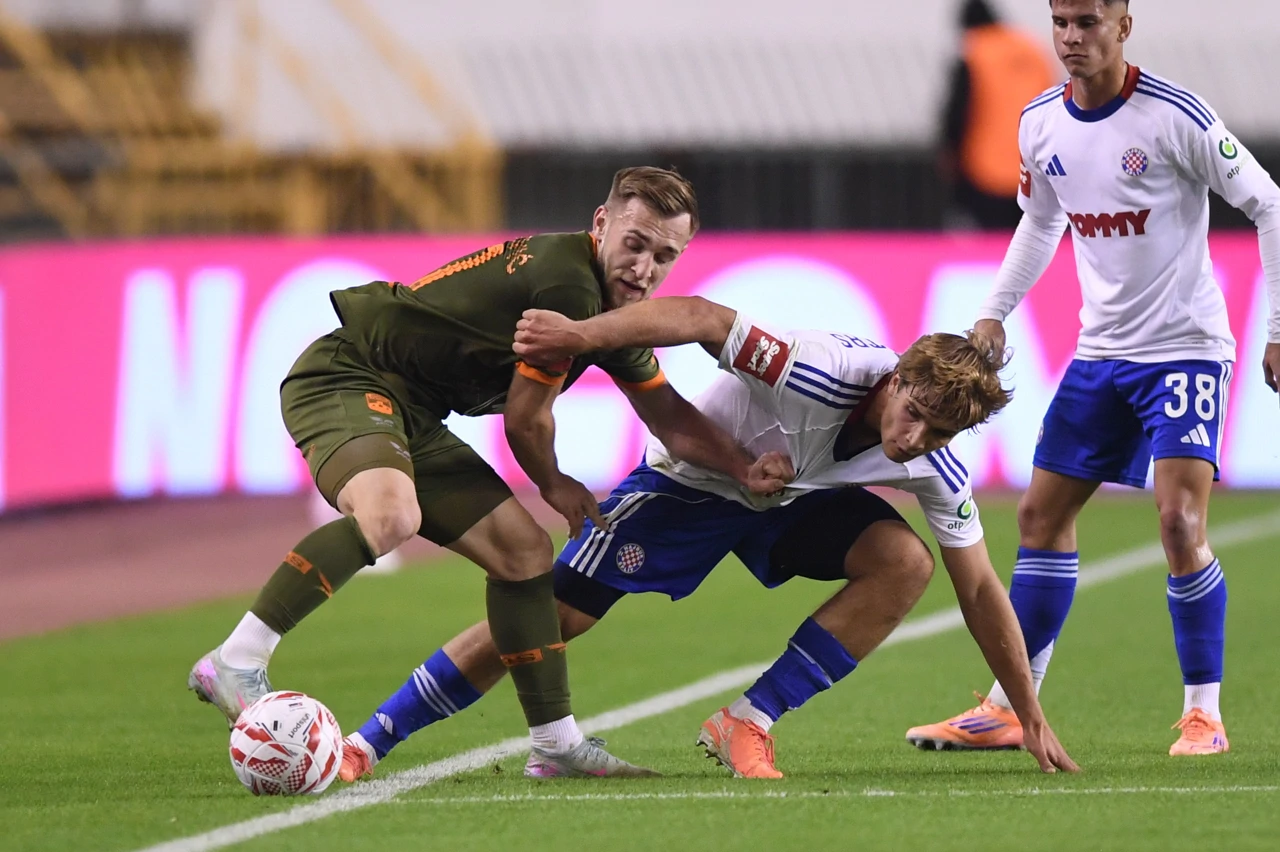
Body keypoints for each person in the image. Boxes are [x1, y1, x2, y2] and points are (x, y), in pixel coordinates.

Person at [186, 167, 792, 777]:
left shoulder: (609, 315)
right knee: (391, 514)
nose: (644, 269)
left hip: (415, 414)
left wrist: (744, 469)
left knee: (524, 553)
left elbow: (671, 417)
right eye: (635, 244)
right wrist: (555, 483)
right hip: (351, 375)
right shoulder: (569, 288)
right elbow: (526, 421)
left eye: (665, 255)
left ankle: (556, 745)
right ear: (601, 224)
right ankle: (238, 658)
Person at [335, 295, 1079, 781]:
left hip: (789, 501)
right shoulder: (817, 369)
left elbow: (978, 587)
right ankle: (371, 741)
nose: (914, 438)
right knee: (549, 618)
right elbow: (698, 318)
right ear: (895, 378)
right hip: (692, 485)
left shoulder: (936, 465)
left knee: (906, 562)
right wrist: (582, 335)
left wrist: (1030, 714)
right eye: (911, 411)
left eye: (938, 430)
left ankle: (746, 722)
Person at [906, 0, 1280, 757]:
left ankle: (1203, 715)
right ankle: (1012, 707)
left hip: (1185, 347)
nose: (1072, 39)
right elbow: (1041, 221)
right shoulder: (1040, 121)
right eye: (1062, 22)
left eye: (1089, 22)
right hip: (1100, 353)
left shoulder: (1175, 115)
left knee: (1178, 525)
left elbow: (1268, 203)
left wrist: (1276, 328)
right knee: (1040, 521)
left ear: (1124, 26)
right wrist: (994, 312)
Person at [939, 0, 1056, 230]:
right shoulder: (1032, 49)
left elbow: (958, 112)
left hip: (987, 172)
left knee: (993, 248)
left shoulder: (974, 52)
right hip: (1035, 170)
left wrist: (950, 154)